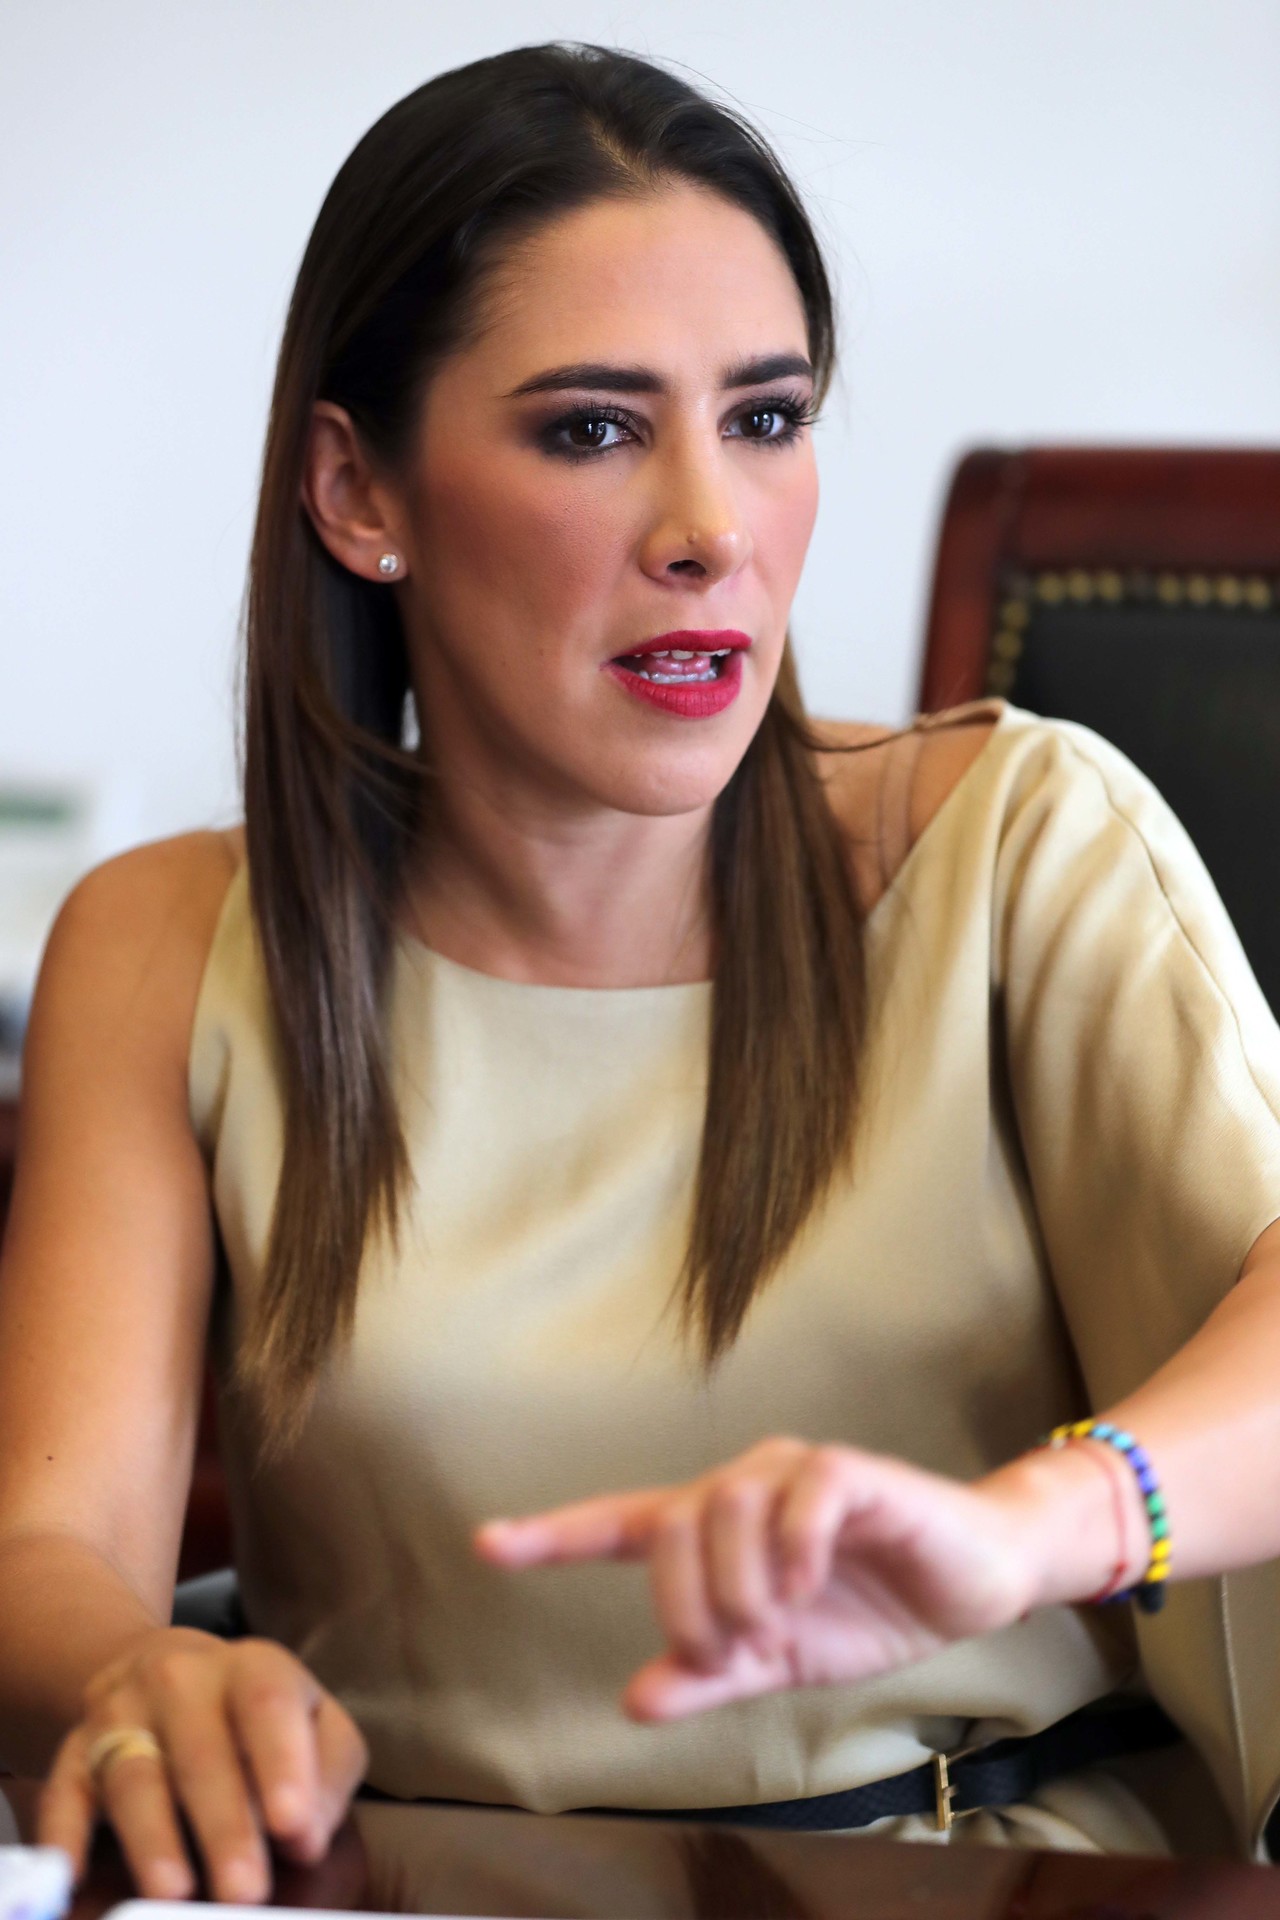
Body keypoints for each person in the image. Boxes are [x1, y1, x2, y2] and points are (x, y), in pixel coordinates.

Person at [1, 39, 1279, 1904]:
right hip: (397, 1891)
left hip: (984, 1881)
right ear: (359, 490)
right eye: (594, 430)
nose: (712, 530)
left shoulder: (1022, 841)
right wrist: (138, 1680)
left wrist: (1032, 1528)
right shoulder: (167, 940)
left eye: (766, 417)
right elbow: (51, 1554)